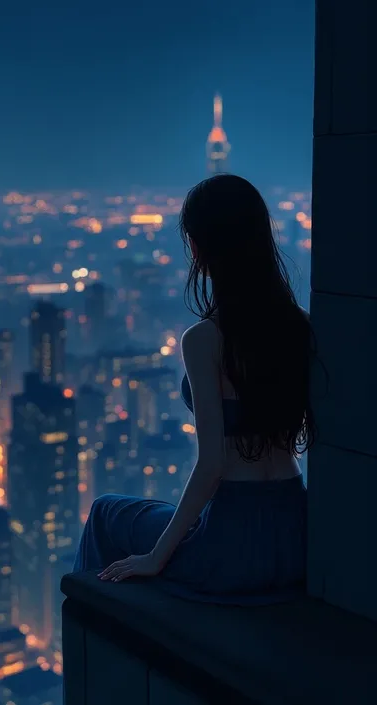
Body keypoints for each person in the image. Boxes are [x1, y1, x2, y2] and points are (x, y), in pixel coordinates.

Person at [72, 174, 317, 604]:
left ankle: (97, 625)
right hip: (294, 529)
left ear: (201, 249)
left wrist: (154, 557)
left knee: (106, 512)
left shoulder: (205, 339)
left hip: (232, 546)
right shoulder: (299, 325)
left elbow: (212, 464)